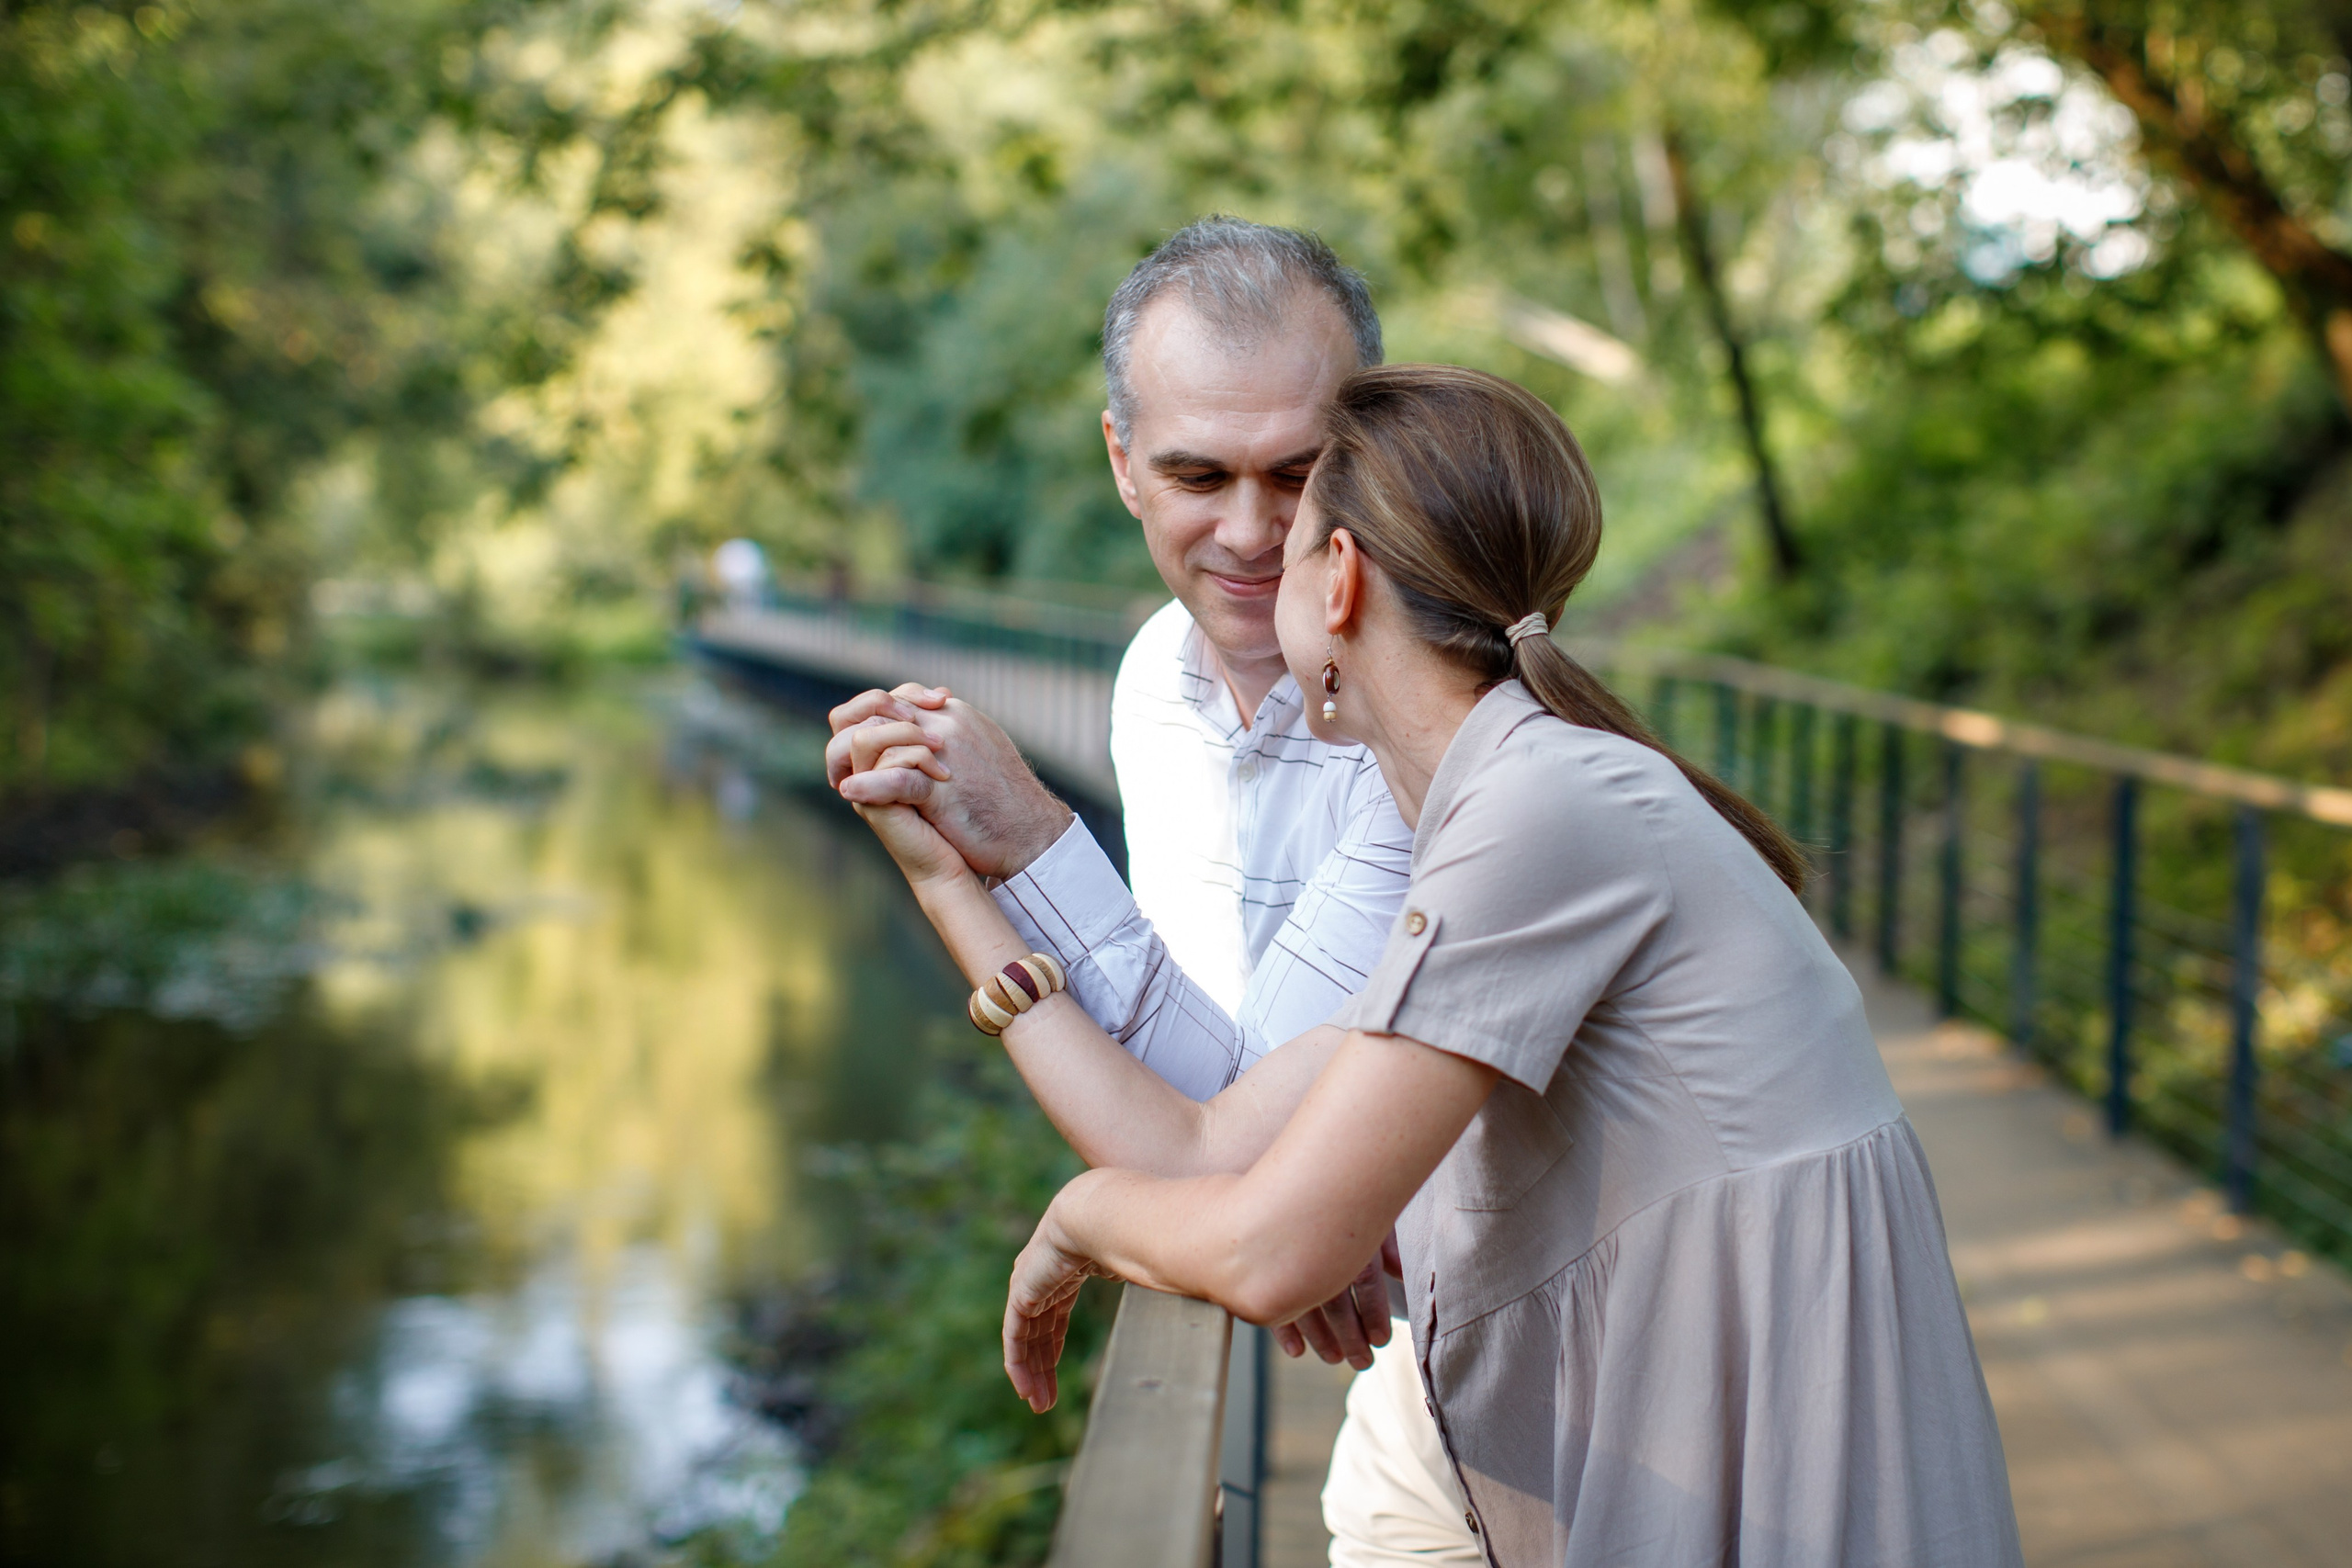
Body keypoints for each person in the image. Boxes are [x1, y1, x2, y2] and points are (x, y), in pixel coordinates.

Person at [842, 364, 2024, 1564]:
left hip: (1786, 1466)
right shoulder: (1515, 799)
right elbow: (1204, 1148)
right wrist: (951, 884)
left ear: (1340, 579)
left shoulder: (1540, 814)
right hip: (1723, 1429)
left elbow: (1271, 1249)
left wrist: (1079, 1220)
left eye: (1293, 541)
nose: (1254, 557)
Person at [825, 218, 1482, 1562]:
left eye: (1297, 472)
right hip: (1407, 1355)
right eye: (1197, 474)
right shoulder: (1149, 680)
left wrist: (1030, 844)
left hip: (1565, 1328)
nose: (1250, 532)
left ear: (1366, 451)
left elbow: (1225, 1149)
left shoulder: (1424, 709)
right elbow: (1215, 1092)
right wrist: (1291, 1193)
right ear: (1122, 462)